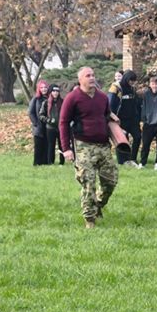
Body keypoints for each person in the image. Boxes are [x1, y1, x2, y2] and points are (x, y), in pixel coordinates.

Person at [59, 67, 119, 229]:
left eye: (93, 75)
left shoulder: (102, 97)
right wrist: (66, 149)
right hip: (83, 145)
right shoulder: (72, 98)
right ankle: (89, 220)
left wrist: (111, 115)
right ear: (80, 80)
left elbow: (105, 114)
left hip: (103, 145)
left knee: (111, 180)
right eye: (88, 76)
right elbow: (63, 123)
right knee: (88, 183)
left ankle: (98, 205)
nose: (92, 78)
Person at [139, 74, 157, 170]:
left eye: (156, 84)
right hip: (148, 123)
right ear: (150, 85)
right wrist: (144, 119)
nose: (154, 86)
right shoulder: (146, 93)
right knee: (145, 144)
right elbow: (144, 106)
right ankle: (142, 163)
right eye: (152, 84)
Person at [116, 70, 142, 166]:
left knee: (138, 137)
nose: (132, 82)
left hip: (133, 120)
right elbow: (113, 104)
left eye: (134, 81)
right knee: (123, 140)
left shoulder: (133, 90)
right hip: (121, 120)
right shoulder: (118, 89)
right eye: (131, 80)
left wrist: (138, 117)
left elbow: (137, 104)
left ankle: (133, 158)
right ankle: (123, 160)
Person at [39, 84, 65, 165]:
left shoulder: (63, 102)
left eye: (57, 91)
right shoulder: (46, 103)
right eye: (53, 91)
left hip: (60, 127)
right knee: (51, 145)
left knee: (62, 145)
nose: (55, 93)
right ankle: (51, 162)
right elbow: (41, 115)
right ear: (50, 92)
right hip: (50, 128)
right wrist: (48, 120)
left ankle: (62, 162)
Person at [29, 80, 49, 165]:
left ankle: (46, 161)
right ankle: (37, 162)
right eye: (42, 87)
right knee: (38, 145)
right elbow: (30, 112)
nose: (44, 89)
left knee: (47, 144)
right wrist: (35, 123)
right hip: (38, 126)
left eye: (45, 87)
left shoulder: (50, 98)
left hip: (48, 125)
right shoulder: (36, 99)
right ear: (39, 89)